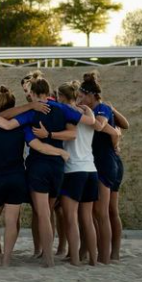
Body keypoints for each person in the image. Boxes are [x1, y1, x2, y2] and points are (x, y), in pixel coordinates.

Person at [21, 77, 82, 268]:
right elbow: (73, 134)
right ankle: (56, 255)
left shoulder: (32, 111)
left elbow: (7, 120)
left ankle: (47, 258)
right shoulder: (63, 109)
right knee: (49, 213)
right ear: (49, 92)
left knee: (43, 214)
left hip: (38, 165)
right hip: (57, 167)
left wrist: (46, 135)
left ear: (33, 92)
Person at [76, 72, 128, 264]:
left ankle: (107, 256)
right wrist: (115, 132)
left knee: (102, 212)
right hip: (109, 162)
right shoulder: (101, 108)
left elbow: (98, 125)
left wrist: (114, 132)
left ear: (91, 96)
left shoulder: (102, 108)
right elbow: (124, 125)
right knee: (109, 211)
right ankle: (110, 253)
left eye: (82, 96)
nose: (79, 100)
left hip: (106, 164)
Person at [0, 86, 33, 267]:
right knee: (11, 222)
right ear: (13, 104)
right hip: (16, 178)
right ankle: (7, 259)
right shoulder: (21, 124)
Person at [55, 82, 98, 266]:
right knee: (87, 219)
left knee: (71, 218)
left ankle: (74, 259)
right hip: (91, 170)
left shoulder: (67, 113)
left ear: (62, 97)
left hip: (74, 170)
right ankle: (94, 260)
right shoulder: (88, 112)